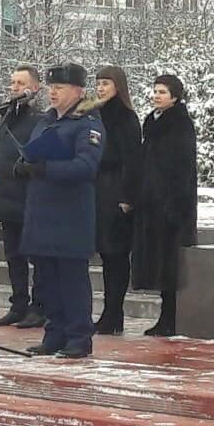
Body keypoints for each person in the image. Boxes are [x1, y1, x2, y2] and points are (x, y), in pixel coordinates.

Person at [17, 63, 103, 359]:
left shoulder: (87, 123)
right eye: (51, 87)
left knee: (71, 279)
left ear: (78, 91)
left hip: (71, 215)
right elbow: (34, 151)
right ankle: (54, 333)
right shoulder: (46, 120)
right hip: (42, 212)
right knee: (47, 279)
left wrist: (45, 168)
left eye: (60, 88)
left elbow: (86, 166)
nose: (52, 92)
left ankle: (79, 336)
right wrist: (24, 166)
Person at [132, 75, 197, 337]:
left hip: (172, 205)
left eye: (162, 92)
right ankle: (164, 316)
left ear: (175, 96)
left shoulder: (180, 124)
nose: (156, 95)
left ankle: (170, 318)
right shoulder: (152, 122)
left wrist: (173, 204)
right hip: (151, 203)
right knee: (157, 262)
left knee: (171, 265)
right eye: (155, 91)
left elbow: (182, 168)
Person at [0, 65, 46, 329]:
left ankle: (39, 306)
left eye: (20, 82)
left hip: (29, 198)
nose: (14, 87)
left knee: (36, 256)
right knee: (13, 256)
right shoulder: (7, 117)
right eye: (12, 82)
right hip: (7, 196)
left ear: (34, 88)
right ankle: (18, 304)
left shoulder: (40, 119)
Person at [92, 66, 142, 335]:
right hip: (97, 190)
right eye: (98, 83)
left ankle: (114, 313)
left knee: (116, 255)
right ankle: (110, 314)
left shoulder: (125, 118)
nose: (100, 89)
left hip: (116, 191)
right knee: (105, 254)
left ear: (118, 87)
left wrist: (127, 196)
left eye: (106, 84)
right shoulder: (94, 114)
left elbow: (132, 160)